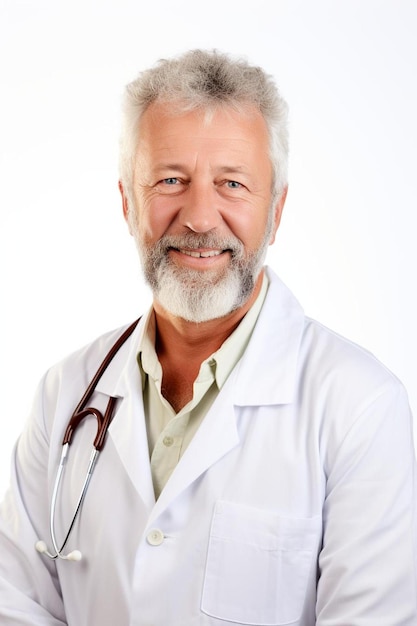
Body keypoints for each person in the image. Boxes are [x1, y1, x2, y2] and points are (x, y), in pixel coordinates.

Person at [0, 49, 416, 626]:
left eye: (232, 183)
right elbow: (15, 604)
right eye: (171, 179)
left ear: (276, 210)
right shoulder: (64, 395)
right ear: (127, 201)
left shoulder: (360, 408)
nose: (199, 217)